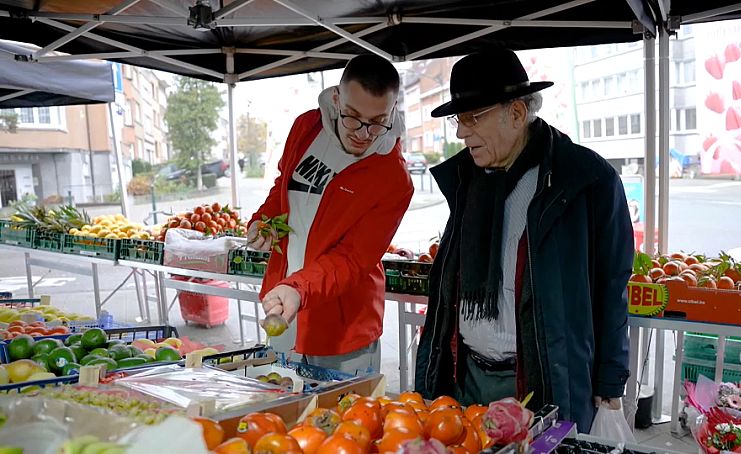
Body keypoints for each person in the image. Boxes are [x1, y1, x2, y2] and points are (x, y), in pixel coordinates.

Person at [414, 48, 633, 433]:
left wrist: (610, 381)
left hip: (539, 380)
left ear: (516, 113)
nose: (463, 132)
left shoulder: (586, 179)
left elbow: (612, 284)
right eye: (459, 121)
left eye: (473, 118)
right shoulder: (466, 179)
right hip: (465, 377)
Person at [247, 54, 414, 375]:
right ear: (336, 100)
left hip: (342, 327)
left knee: (343, 421)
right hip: (284, 304)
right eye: (352, 117)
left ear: (392, 111)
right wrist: (263, 221)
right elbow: (284, 185)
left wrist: (299, 289)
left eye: (378, 121)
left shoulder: (393, 178)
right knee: (284, 415)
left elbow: (352, 260)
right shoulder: (306, 128)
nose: (364, 134)